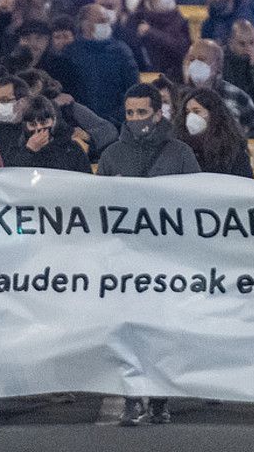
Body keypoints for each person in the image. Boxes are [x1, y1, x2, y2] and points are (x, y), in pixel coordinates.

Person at [97, 83, 200, 426]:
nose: (136, 119)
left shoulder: (181, 154)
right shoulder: (112, 156)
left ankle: (158, 397)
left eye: (142, 112)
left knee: (161, 328)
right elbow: (100, 207)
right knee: (126, 328)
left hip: (167, 257)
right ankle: (131, 396)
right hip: (126, 257)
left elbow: (197, 204)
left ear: (158, 114)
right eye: (130, 113)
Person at [64, 4, 140, 124]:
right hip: (80, 122)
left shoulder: (121, 51)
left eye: (106, 21)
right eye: (100, 21)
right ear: (85, 24)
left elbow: (133, 87)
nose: (105, 25)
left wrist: (118, 117)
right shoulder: (71, 53)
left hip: (118, 122)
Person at [182, 40, 254, 137]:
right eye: (192, 60)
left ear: (217, 65)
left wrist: (237, 141)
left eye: (202, 59)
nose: (195, 64)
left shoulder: (236, 96)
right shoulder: (180, 97)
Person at [1, 95, 92, 173]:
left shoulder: (71, 148)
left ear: (53, 121)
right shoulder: (15, 148)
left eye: (44, 123)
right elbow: (11, 175)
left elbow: (85, 178)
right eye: (33, 124)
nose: (39, 128)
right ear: (25, 126)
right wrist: (29, 151)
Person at [175, 87, 253, 178]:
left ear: (213, 114)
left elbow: (244, 181)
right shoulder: (179, 146)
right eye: (187, 112)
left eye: (197, 111)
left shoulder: (231, 147)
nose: (190, 116)